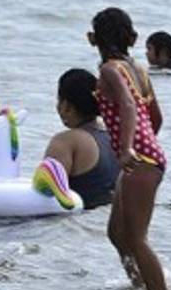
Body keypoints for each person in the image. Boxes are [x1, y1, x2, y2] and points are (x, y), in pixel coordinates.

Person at [90, 7, 168, 290]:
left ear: (93, 39)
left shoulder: (109, 70)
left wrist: (126, 149)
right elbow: (156, 117)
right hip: (147, 158)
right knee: (117, 233)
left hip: (139, 160)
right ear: (130, 38)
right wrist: (143, 146)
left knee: (136, 238)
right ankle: (140, 287)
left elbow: (128, 105)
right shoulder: (138, 70)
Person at [42, 68, 119, 210]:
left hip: (77, 224)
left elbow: (46, 195)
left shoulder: (66, 142)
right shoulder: (116, 136)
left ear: (66, 106)